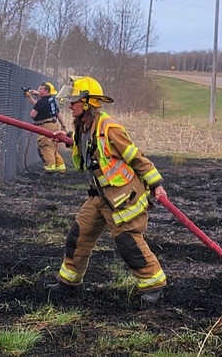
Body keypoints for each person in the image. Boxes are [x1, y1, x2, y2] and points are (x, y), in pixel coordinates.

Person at [48, 75, 167, 304]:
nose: (69, 105)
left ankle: (154, 286)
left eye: (74, 101)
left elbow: (135, 156)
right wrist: (68, 139)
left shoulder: (109, 127)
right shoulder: (83, 127)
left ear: (88, 102)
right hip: (98, 196)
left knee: (128, 241)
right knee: (78, 236)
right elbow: (90, 147)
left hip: (122, 197)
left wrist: (156, 184)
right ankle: (68, 284)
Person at [24, 81, 67, 174]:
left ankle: (50, 171)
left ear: (46, 91)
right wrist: (63, 126)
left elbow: (33, 114)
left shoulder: (42, 102)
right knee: (53, 148)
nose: (38, 90)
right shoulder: (52, 100)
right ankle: (61, 169)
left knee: (46, 146)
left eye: (40, 89)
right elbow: (57, 113)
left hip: (44, 126)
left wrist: (31, 97)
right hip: (54, 125)